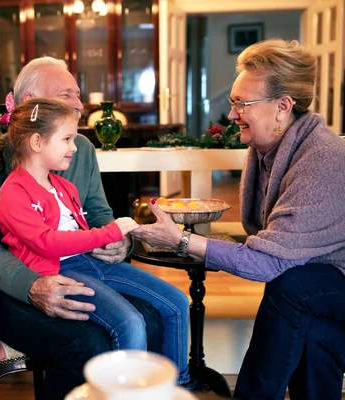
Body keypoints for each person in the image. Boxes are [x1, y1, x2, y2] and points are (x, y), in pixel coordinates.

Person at [131, 39, 345, 400]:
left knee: (291, 289)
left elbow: (269, 262)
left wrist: (182, 241)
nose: (231, 114)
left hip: (334, 278)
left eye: (241, 103)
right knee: (315, 333)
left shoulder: (321, 159)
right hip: (323, 281)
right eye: (233, 102)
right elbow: (276, 240)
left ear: (282, 107)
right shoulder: (268, 149)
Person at [0, 57, 164, 399]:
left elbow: (99, 213)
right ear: (29, 105)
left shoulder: (81, 147)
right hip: (6, 286)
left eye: (78, 95)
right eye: (66, 95)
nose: (80, 106)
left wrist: (120, 244)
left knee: (152, 317)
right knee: (86, 342)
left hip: (76, 270)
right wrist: (32, 285)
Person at [0, 97, 191, 380]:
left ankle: (178, 386)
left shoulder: (64, 185)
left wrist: (122, 237)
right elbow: (47, 242)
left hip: (91, 261)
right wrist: (109, 232)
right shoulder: (13, 192)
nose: (74, 147)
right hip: (62, 271)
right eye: (67, 139)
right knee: (129, 322)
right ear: (36, 143)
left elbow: (82, 233)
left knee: (177, 303)